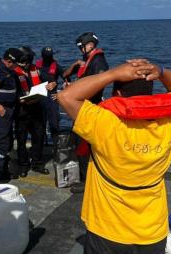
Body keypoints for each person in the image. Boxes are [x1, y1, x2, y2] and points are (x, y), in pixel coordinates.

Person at [57, 59, 171, 254]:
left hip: (109, 230)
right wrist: (159, 71)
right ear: (151, 92)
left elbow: (67, 96)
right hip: (151, 230)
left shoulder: (105, 123)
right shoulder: (170, 120)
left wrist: (112, 73)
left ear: (117, 93)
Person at [63, 32, 109, 193]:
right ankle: (87, 176)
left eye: (81, 46)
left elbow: (96, 86)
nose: (80, 49)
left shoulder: (98, 62)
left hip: (89, 108)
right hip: (84, 105)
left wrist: (74, 92)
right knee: (82, 143)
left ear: (90, 45)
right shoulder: (90, 61)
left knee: (83, 144)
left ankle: (87, 180)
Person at [0, 48, 23, 186]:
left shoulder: (8, 70)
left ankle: (3, 172)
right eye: (16, 64)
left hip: (10, 110)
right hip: (0, 112)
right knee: (1, 143)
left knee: (7, 141)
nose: (17, 67)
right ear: (9, 61)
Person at [14, 46, 49, 177]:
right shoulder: (14, 73)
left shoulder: (37, 70)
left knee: (38, 137)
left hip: (36, 109)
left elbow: (49, 79)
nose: (28, 64)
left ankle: (37, 163)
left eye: (29, 61)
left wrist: (51, 84)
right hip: (21, 111)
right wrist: (19, 99)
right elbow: (11, 89)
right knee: (21, 139)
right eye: (26, 61)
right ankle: (23, 165)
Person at [36, 46, 67, 143]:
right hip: (39, 97)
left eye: (50, 56)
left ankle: (56, 148)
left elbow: (67, 80)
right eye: (47, 56)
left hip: (52, 98)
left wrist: (60, 90)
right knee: (39, 125)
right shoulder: (36, 66)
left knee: (54, 124)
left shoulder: (57, 66)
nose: (49, 59)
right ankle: (39, 150)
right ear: (42, 56)